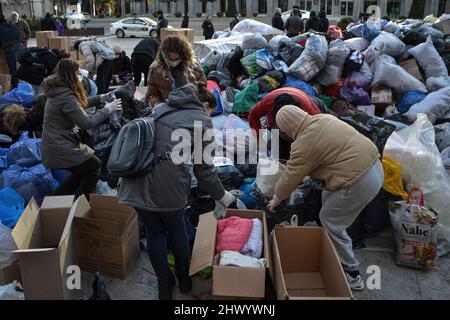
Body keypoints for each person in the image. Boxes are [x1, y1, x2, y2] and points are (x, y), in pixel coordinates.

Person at [119, 82, 236, 300]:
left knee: (154, 233)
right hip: (168, 185)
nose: (210, 114)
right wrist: (223, 196)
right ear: (203, 104)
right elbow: (204, 172)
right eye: (210, 109)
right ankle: (183, 278)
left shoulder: (160, 108)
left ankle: (164, 282)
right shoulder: (201, 120)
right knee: (175, 228)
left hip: (135, 183)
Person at [267, 105, 384, 291]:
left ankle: (352, 273)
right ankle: (328, 249)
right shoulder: (323, 119)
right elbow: (326, 155)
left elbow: (291, 174)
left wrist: (276, 198)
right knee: (325, 200)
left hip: (358, 181)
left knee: (331, 221)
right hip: (374, 166)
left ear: (287, 129)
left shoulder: (303, 142)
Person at [41, 59, 122, 201]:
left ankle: (53, 203)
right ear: (71, 75)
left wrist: (100, 98)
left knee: (81, 173)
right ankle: (79, 205)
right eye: (78, 73)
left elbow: (77, 107)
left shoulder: (58, 89)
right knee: (94, 166)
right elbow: (86, 122)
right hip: (60, 145)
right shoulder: (66, 96)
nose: (80, 77)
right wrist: (108, 110)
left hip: (56, 144)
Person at [248, 88, 321, 160]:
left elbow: (315, 133)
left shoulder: (310, 112)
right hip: (277, 117)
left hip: (306, 102)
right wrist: (259, 137)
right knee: (281, 147)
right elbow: (253, 115)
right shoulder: (268, 102)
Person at [145, 36, 206, 109]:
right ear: (164, 56)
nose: (173, 62)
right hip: (166, 109)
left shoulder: (194, 68)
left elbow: (203, 88)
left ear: (183, 56)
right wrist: (157, 105)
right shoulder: (155, 69)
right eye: (170, 59)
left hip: (189, 108)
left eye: (177, 59)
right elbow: (152, 93)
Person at [0, 14, 24, 88]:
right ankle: (23, 86)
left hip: (10, 48)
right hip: (20, 45)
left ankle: (15, 88)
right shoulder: (10, 25)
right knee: (22, 67)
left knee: (13, 70)